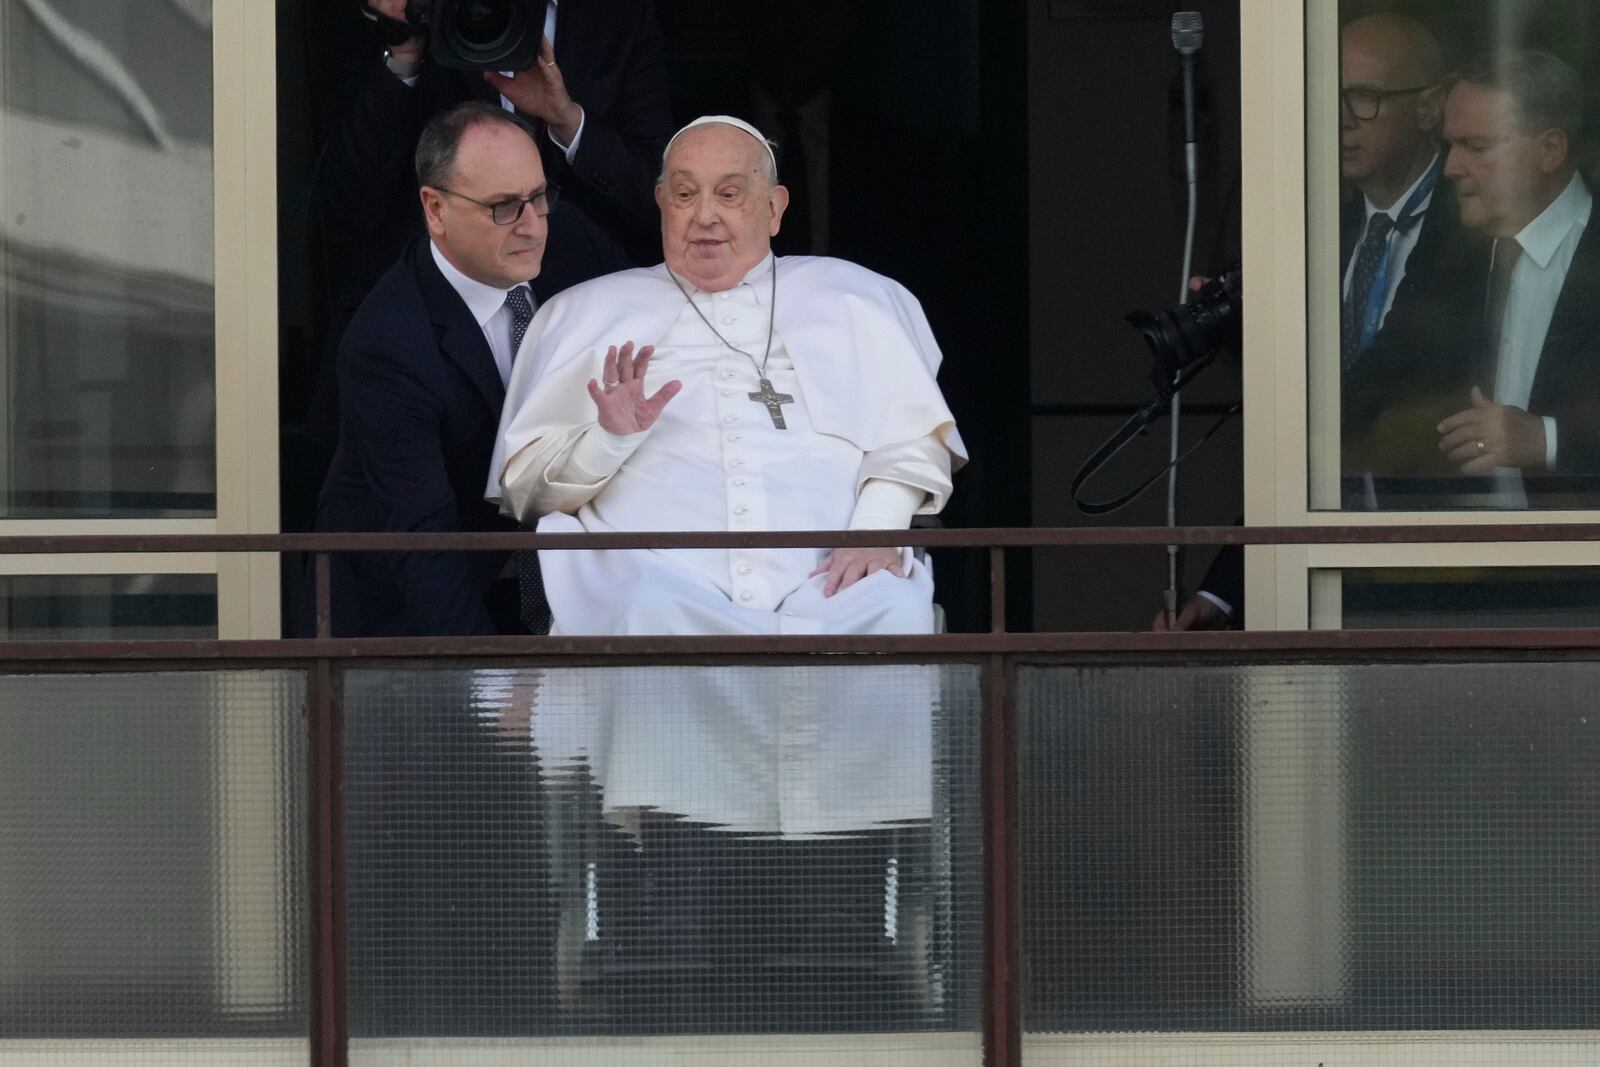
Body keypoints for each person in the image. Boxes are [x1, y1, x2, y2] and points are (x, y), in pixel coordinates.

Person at [490, 115, 966, 639]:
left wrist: (876, 530)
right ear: (661, 204)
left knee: (893, 609)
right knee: (648, 612)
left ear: (775, 208)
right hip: (661, 586)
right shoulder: (583, 313)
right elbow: (526, 492)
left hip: (833, 585)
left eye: (730, 194)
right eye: (685, 194)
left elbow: (912, 444)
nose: (705, 216)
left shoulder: (857, 299)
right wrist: (607, 440)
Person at [1161, 12, 1477, 630]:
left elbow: (1351, 407)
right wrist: (1227, 587)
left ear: (1432, 106)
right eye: (1327, 97)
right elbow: (1295, 442)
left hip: (1459, 578)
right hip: (1336, 581)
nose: (1340, 120)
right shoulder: (1318, 228)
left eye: (1364, 98)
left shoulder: (1473, 225)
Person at [313, 101, 556, 637]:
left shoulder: (553, 251)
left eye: (539, 197)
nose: (533, 225)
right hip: (411, 626)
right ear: (435, 209)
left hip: (529, 589)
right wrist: (489, 686)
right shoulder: (388, 345)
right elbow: (424, 541)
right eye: (503, 207)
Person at [1427, 49, 1600, 505]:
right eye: (1450, 145)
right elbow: (1364, 386)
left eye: (1476, 146)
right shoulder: (1449, 260)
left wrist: (1547, 441)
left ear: (1550, 150)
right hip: (1461, 564)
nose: (1450, 167)